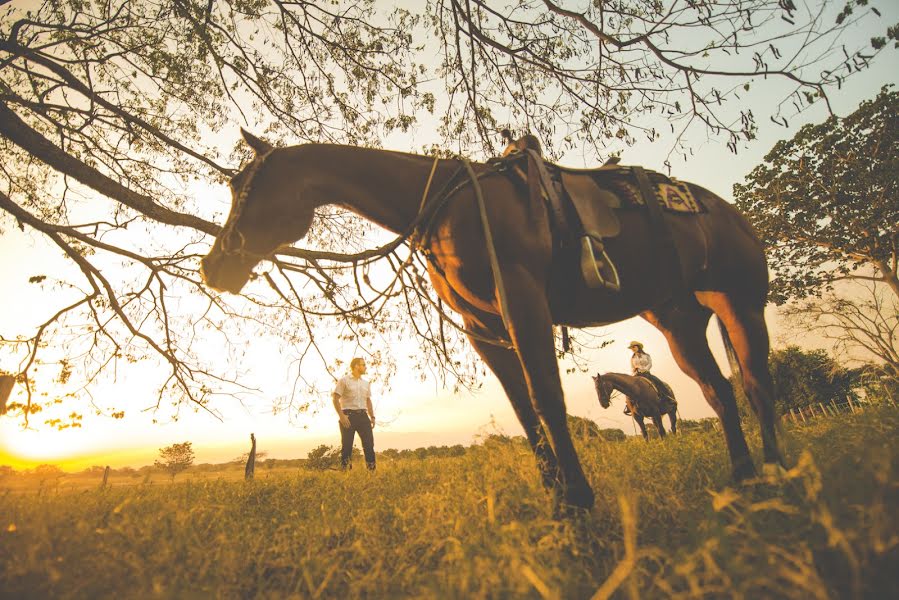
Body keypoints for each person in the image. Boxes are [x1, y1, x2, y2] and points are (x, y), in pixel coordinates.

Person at [332, 357, 376, 470]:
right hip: (348, 417)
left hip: (363, 416)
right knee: (347, 447)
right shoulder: (344, 380)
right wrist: (341, 416)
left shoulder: (366, 383)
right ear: (356, 366)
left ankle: (372, 473)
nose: (365, 367)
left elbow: (368, 400)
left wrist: (372, 416)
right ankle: (345, 474)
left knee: (369, 446)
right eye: (363, 365)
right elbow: (335, 398)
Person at [628, 341, 675, 415]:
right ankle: (630, 404)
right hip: (637, 375)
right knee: (629, 387)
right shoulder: (632, 358)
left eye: (634, 347)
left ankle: (667, 397)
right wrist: (634, 370)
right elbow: (632, 367)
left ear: (638, 347)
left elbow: (650, 364)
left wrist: (644, 369)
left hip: (646, 373)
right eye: (631, 348)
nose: (633, 349)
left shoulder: (646, 356)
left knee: (658, 382)